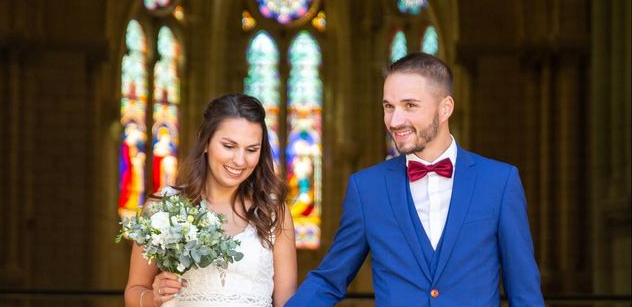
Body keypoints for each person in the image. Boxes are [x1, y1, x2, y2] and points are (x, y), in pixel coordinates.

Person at [286, 52, 544, 306]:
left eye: (410, 105)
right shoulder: (367, 189)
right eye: (389, 107)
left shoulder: (499, 182)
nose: (395, 121)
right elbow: (329, 280)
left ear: (445, 108)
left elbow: (524, 293)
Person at [124, 93, 297, 307]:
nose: (240, 160)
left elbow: (287, 303)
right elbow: (134, 291)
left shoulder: (274, 213)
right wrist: (153, 297)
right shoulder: (162, 207)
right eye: (229, 146)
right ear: (205, 141)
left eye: (252, 149)